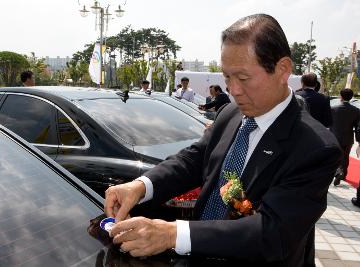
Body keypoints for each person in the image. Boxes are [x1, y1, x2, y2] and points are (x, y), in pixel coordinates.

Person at [105, 14, 342, 266]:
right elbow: (195, 160)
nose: (234, 90)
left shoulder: (315, 148)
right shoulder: (231, 113)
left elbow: (273, 232)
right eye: (227, 78)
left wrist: (173, 234)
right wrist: (142, 185)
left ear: (283, 69)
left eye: (243, 78)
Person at [330, 88, 360, 186]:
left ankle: (336, 172)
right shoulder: (356, 110)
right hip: (348, 137)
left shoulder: (333, 109)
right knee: (346, 157)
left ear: (341, 96)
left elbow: (329, 123)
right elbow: (357, 126)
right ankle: (343, 174)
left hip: (334, 136)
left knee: (334, 156)